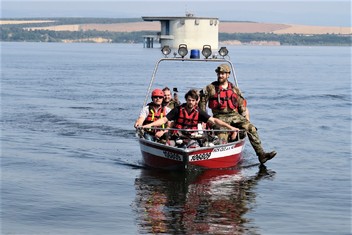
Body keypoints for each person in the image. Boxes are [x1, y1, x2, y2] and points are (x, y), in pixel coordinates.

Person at [198, 64, 277, 164]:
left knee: (251, 128)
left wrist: (245, 119)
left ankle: (261, 154)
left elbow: (241, 107)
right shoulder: (211, 88)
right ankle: (220, 160)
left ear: (228, 75)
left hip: (233, 115)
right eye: (219, 74)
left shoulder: (235, 90)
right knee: (222, 135)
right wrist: (205, 118)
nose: (220, 76)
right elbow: (202, 102)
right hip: (219, 116)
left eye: (222, 74)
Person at [142, 89, 238, 146]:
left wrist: (231, 128)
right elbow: (163, 120)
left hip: (193, 137)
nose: (190, 102)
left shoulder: (199, 112)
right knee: (170, 143)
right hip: (178, 136)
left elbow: (214, 120)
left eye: (193, 100)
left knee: (198, 144)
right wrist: (149, 125)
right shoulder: (178, 109)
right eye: (189, 100)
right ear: (186, 100)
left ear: (196, 101)